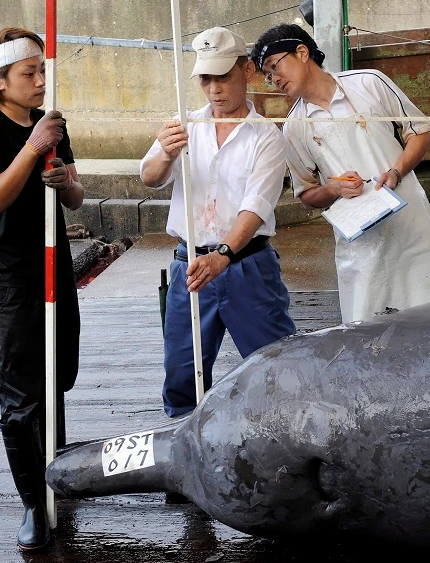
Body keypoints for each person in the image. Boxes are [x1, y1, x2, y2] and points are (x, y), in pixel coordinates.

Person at [0, 27, 84, 551]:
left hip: (54, 266)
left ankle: (56, 471)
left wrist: (64, 181)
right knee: (21, 395)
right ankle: (33, 501)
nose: (40, 81)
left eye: (42, 70)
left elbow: (76, 196)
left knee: (59, 376)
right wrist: (32, 152)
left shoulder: (51, 124)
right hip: (8, 276)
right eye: (29, 73)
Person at [140, 27, 296, 419]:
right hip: (190, 265)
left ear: (246, 70)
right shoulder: (184, 125)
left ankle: (285, 446)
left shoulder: (266, 136)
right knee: (182, 374)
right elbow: (150, 177)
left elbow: (256, 206)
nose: (213, 89)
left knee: (276, 368)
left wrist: (224, 254)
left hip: (247, 265)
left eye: (223, 76)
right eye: (205, 79)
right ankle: (183, 452)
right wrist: (166, 152)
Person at [252, 24, 430, 324]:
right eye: (267, 75)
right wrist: (332, 189)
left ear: (302, 52)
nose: (273, 79)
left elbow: (421, 132)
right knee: (367, 326)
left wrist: (396, 171)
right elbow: (306, 193)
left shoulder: (369, 83)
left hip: (409, 221)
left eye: (274, 67)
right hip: (359, 240)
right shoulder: (294, 127)